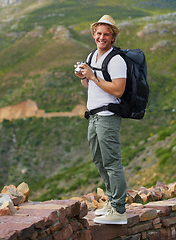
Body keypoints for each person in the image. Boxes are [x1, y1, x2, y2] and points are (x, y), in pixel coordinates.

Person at [75, 15, 127, 224]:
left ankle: (119, 211)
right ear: (93, 34)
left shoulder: (116, 60)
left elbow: (119, 90)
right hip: (94, 116)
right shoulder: (92, 56)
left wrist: (94, 76)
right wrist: (84, 77)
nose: (101, 37)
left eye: (106, 34)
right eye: (98, 33)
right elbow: (91, 87)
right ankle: (112, 201)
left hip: (108, 116)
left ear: (113, 37)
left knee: (113, 162)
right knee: (99, 160)